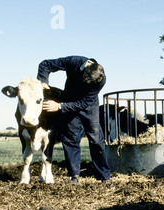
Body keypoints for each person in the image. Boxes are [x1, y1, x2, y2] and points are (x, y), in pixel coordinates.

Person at [37, 55, 111, 184]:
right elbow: (45, 64)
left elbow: (84, 102)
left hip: (88, 107)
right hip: (69, 103)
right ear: (86, 68)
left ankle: (104, 175)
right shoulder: (74, 62)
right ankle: (74, 176)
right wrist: (43, 82)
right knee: (70, 139)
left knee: (96, 140)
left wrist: (59, 106)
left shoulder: (101, 80)